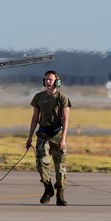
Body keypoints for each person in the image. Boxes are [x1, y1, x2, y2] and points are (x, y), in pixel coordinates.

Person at [25, 70, 71, 206]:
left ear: (57, 82)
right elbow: (34, 118)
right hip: (43, 134)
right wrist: (29, 137)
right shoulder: (38, 97)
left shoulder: (62, 98)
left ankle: (60, 196)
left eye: (50, 79)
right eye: (46, 79)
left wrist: (63, 139)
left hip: (57, 134)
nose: (47, 82)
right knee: (41, 163)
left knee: (60, 167)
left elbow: (66, 120)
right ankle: (48, 188)